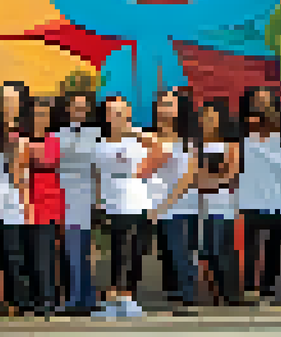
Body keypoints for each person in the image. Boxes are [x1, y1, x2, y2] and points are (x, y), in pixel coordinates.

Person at [94, 95, 166, 319]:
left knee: (136, 252)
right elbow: (97, 176)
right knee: (116, 253)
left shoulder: (139, 141)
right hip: (112, 207)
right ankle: (114, 300)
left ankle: (129, 297)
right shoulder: (100, 144)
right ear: (106, 116)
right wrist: (98, 203)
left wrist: (132, 131)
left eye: (121, 112)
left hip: (138, 204)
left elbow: (161, 149)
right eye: (112, 112)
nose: (116, 117)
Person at [145, 88, 199, 311]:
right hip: (154, 203)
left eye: (169, 104)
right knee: (166, 252)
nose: (164, 109)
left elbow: (189, 177)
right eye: (161, 104)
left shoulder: (188, 141)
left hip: (181, 205)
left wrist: (165, 205)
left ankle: (188, 296)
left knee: (180, 252)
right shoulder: (149, 138)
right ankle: (174, 296)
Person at [238, 85, 281, 305]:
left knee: (273, 247)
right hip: (250, 196)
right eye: (257, 100)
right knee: (250, 245)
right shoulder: (241, 128)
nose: (261, 104)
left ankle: (268, 288)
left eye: (266, 100)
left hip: (279, 197)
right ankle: (250, 289)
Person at [0, 81, 30, 316]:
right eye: (5, 100)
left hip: (13, 201)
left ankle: (16, 302)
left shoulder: (23, 131)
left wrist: (25, 199)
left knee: (13, 254)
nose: (9, 104)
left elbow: (20, 171)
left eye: (13, 100)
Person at [55, 91, 100, 315]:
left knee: (84, 249)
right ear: (68, 109)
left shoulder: (97, 134)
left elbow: (98, 168)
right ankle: (75, 298)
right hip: (64, 196)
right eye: (75, 107)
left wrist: (98, 199)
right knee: (70, 249)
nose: (79, 112)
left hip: (87, 197)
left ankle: (86, 298)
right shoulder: (57, 135)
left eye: (83, 108)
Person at [17, 96, 62, 316]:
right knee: (32, 253)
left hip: (52, 201)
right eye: (35, 115)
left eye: (43, 115)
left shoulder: (55, 141)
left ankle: (48, 299)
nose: (39, 119)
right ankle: (37, 298)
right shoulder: (22, 141)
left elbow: (54, 167)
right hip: (30, 200)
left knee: (47, 253)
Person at [194, 98, 240, 307]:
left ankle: (230, 294)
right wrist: (214, 175)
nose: (207, 120)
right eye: (204, 115)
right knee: (208, 251)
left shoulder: (230, 144)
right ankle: (215, 294)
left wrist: (208, 179)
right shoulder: (195, 144)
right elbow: (193, 177)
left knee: (224, 249)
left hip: (224, 205)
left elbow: (231, 175)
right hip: (200, 206)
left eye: (212, 115)